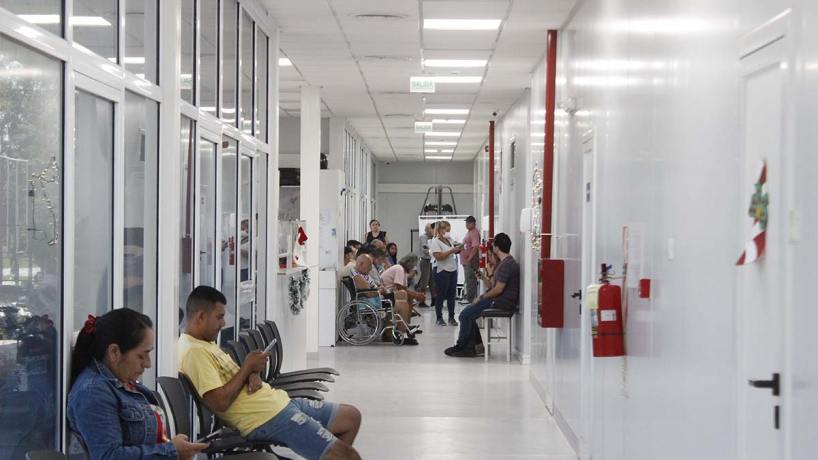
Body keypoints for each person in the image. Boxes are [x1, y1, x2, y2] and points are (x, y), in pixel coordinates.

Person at [178, 286, 362, 460]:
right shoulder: (194, 352)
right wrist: (247, 368)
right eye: (219, 317)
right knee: (349, 456)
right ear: (201, 316)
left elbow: (232, 378)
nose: (223, 323)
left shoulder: (205, 344)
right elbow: (220, 402)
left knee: (351, 417)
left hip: (278, 403)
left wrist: (252, 374)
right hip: (266, 418)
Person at [69, 308, 208, 459]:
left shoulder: (123, 382)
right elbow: (109, 456)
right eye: (141, 356)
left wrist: (173, 448)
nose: (148, 364)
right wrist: (172, 450)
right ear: (114, 352)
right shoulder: (93, 393)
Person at [445, 233, 520, 358]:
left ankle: (463, 346)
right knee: (469, 314)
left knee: (465, 315)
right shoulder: (505, 263)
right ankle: (476, 347)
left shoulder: (507, 265)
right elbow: (493, 286)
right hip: (499, 299)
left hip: (501, 301)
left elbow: (498, 290)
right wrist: (486, 276)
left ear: (497, 247)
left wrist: (481, 297)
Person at [428, 220, 462, 326]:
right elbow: (438, 257)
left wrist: (458, 249)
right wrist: (451, 251)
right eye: (446, 230)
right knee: (441, 295)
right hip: (442, 270)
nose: (448, 232)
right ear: (440, 230)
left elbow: (454, 249)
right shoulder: (435, 242)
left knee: (452, 295)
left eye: (449, 230)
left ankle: (451, 317)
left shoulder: (449, 239)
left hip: (452, 269)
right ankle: (439, 318)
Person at [460, 216, 481, 305]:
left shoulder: (474, 232)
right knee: (468, 280)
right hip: (466, 261)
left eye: (469, 222)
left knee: (470, 279)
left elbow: (475, 247)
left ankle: (470, 299)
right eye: (466, 222)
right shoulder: (469, 232)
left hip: (470, 261)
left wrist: (469, 258)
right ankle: (469, 297)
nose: (467, 224)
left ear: (473, 223)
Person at [416, 223, 436, 308]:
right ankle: (421, 301)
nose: (433, 231)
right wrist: (434, 251)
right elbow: (425, 250)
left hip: (432, 261)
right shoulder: (423, 237)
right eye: (431, 229)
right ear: (427, 230)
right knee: (424, 282)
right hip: (425, 261)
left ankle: (434, 300)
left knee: (433, 282)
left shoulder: (433, 238)